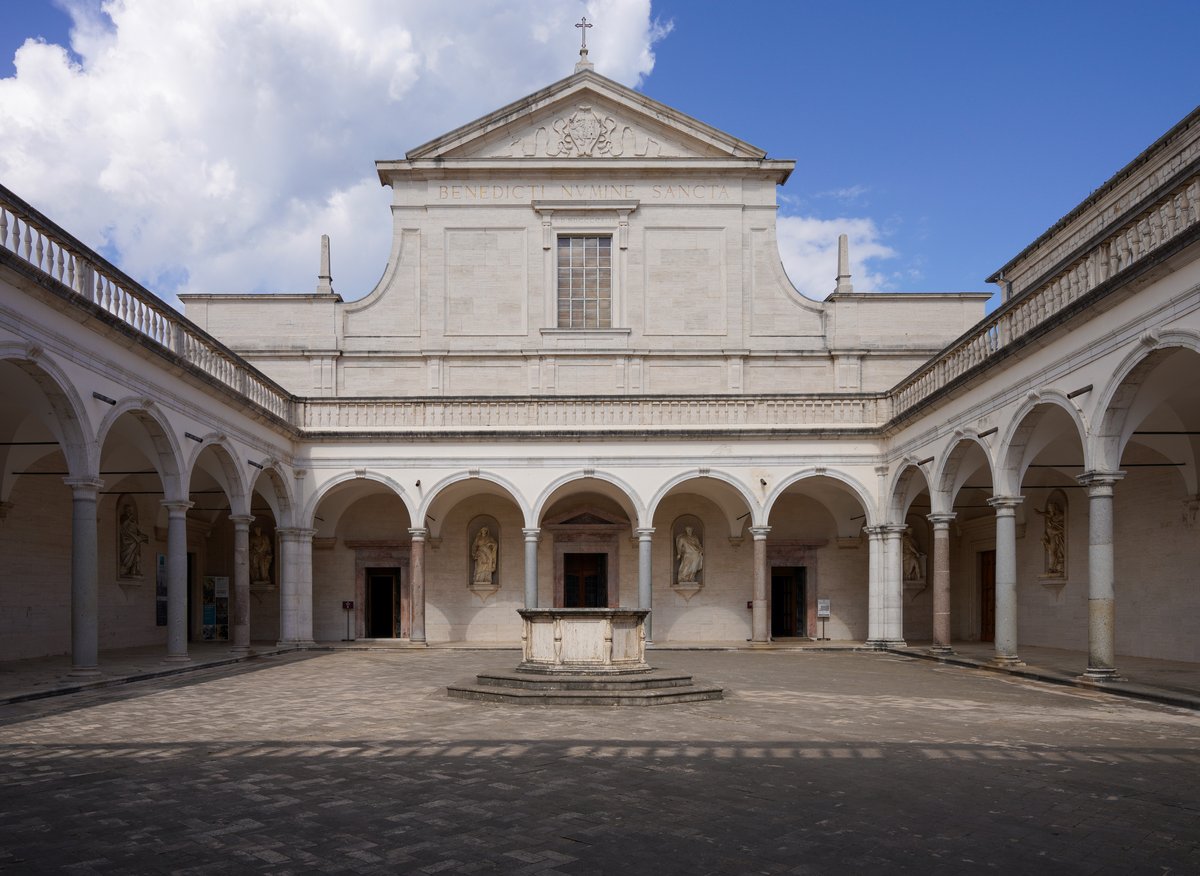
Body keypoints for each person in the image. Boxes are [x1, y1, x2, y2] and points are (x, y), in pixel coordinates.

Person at [118, 503, 148, 578]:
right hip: (127, 541)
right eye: (129, 510)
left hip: (135, 541)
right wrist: (135, 537)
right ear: (125, 510)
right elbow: (124, 529)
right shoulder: (124, 518)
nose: (130, 512)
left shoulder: (133, 520)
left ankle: (134, 570)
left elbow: (137, 530)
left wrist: (143, 537)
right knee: (128, 556)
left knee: (136, 556)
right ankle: (126, 569)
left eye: (131, 510)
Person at [1039, 501, 1066, 575]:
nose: (1050, 510)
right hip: (1052, 539)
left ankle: (1054, 568)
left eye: (1050, 508)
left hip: (1057, 538)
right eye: (1049, 509)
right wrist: (1039, 513)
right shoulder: (1051, 517)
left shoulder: (1060, 516)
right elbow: (1046, 515)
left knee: (1054, 552)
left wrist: (1056, 531)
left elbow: (1061, 528)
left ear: (1054, 508)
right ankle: (1052, 568)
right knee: (1052, 553)